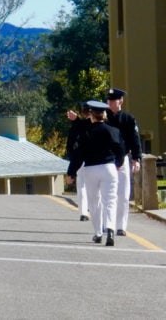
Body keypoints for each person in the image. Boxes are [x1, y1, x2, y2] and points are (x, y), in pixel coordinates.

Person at [67, 100, 125, 246]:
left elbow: (78, 155)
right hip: (109, 168)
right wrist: (118, 164)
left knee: (94, 202)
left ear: (92, 115)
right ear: (104, 115)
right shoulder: (113, 131)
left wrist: (71, 172)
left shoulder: (86, 133)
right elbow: (120, 151)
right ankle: (110, 229)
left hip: (91, 169)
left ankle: (98, 233)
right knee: (110, 200)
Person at [106, 88, 141, 236]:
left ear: (120, 101)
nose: (110, 102)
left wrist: (136, 158)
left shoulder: (128, 119)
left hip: (123, 158)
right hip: (106, 159)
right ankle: (108, 224)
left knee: (123, 194)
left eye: (113, 100)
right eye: (109, 100)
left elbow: (135, 140)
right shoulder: (103, 117)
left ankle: (121, 226)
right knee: (107, 194)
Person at [65, 105, 93, 221]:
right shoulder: (102, 126)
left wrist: (71, 171)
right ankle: (95, 211)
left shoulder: (77, 126)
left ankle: (83, 212)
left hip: (81, 160)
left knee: (82, 186)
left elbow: (71, 147)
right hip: (97, 161)